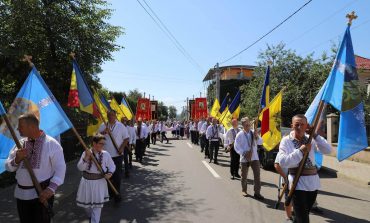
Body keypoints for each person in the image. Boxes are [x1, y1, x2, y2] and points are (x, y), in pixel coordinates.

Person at [5, 113, 66, 223]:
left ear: (32, 127)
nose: (18, 129)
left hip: (41, 194)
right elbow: (8, 167)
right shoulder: (20, 143)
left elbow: (60, 168)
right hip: (21, 195)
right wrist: (17, 159)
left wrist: (51, 189)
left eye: (21, 126)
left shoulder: (51, 143)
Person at [277, 114, 331, 223]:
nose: (300, 127)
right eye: (297, 124)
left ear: (307, 126)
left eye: (302, 124)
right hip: (297, 183)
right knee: (303, 219)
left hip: (313, 184)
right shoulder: (286, 140)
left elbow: (328, 150)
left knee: (302, 215)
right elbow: (282, 161)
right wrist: (300, 151)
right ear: (292, 125)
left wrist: (315, 135)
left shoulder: (310, 138)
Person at [76, 134, 115, 223]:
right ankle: (90, 217)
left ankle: (94, 221)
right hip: (86, 182)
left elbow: (112, 166)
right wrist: (86, 157)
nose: (102, 146)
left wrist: (109, 173)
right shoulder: (86, 153)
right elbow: (80, 168)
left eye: (103, 144)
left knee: (97, 208)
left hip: (99, 183)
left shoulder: (106, 154)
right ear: (94, 143)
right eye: (101, 143)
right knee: (87, 207)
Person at [98, 110, 129, 203]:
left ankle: (117, 193)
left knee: (117, 175)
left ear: (115, 116)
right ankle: (111, 193)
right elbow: (96, 137)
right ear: (107, 116)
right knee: (108, 176)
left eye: (112, 115)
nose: (110, 116)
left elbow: (126, 138)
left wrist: (121, 148)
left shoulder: (121, 126)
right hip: (105, 156)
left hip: (117, 155)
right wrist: (103, 132)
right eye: (109, 115)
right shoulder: (103, 125)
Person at [234, 116, 264, 200]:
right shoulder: (240, 134)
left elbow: (260, 142)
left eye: (249, 123)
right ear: (243, 124)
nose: (248, 125)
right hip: (245, 158)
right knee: (244, 176)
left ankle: (257, 193)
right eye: (246, 123)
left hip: (254, 157)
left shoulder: (253, 132)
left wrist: (257, 136)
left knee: (257, 176)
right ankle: (244, 190)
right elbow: (236, 146)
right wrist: (244, 153)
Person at [275, 155, 293, 223]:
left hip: (298, 180)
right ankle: (288, 216)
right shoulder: (283, 150)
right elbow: (277, 165)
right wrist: (285, 177)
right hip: (287, 179)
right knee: (288, 197)